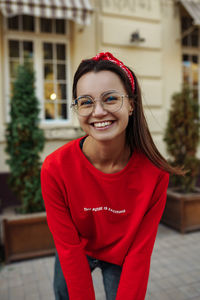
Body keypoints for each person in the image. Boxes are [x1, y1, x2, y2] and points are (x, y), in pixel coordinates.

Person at [40, 52, 184, 300]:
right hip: (76, 249)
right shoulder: (55, 169)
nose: (98, 111)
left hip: (123, 253)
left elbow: (140, 253)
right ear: (77, 108)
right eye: (85, 102)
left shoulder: (155, 174)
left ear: (131, 103)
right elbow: (68, 247)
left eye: (110, 99)